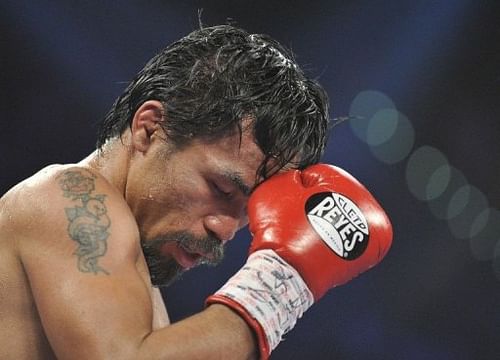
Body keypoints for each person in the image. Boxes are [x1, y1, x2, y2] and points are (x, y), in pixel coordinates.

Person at [0, 24, 392, 359]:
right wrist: (280, 286)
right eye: (222, 189)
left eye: (246, 213)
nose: (226, 230)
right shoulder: (68, 197)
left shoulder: (137, 295)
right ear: (149, 129)